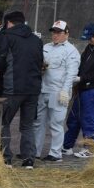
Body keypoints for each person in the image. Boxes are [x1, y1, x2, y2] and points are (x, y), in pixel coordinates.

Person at [0, 11, 44, 169]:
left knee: (4, 122)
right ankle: (29, 159)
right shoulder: (36, 40)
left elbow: (0, 61)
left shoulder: (7, 37)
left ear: (9, 23)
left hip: (13, 88)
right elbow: (41, 63)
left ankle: (5, 157)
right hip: (33, 89)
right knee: (27, 125)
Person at [63, 22, 94, 158]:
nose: (89, 41)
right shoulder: (90, 48)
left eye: (90, 38)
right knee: (74, 118)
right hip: (82, 87)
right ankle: (67, 146)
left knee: (89, 119)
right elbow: (81, 65)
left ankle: (91, 148)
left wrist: (81, 78)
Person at [35, 20, 80, 162]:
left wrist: (65, 91)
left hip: (58, 92)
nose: (55, 35)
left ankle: (55, 153)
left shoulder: (71, 51)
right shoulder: (45, 47)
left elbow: (71, 73)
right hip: (43, 89)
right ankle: (35, 152)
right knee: (38, 123)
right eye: (54, 32)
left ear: (67, 33)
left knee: (56, 123)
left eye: (59, 32)